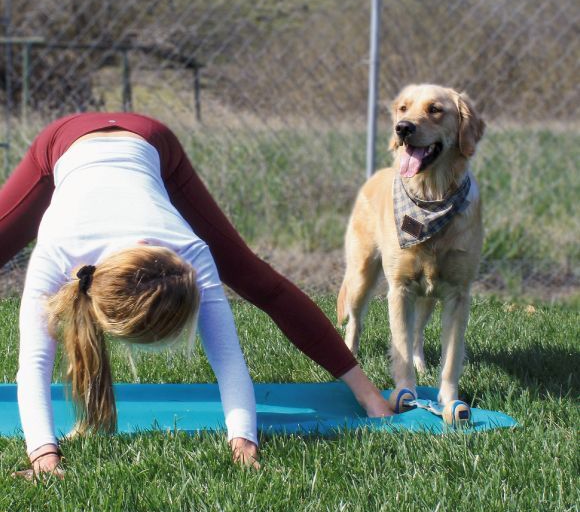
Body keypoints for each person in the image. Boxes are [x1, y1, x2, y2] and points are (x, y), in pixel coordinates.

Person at [0, 112, 392, 477]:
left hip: (150, 141)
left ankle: (365, 389)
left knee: (252, 276)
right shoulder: (57, 250)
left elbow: (228, 359)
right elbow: (33, 365)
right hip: (62, 143)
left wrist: (245, 442)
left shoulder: (188, 253)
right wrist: (44, 457)